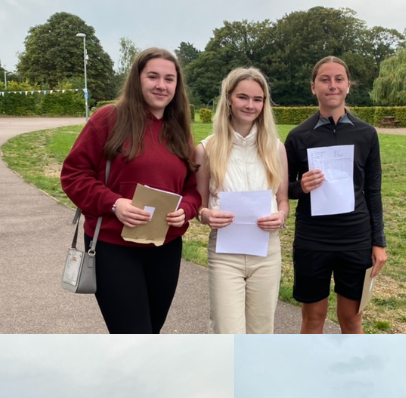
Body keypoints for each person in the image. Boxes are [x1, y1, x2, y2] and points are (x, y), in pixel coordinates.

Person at [60, 48, 201, 334]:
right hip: (114, 248)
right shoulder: (109, 119)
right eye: (153, 76)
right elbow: (73, 175)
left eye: (169, 79)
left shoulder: (178, 130)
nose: (161, 85)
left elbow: (192, 189)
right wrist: (114, 204)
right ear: (137, 79)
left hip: (165, 249)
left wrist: (186, 210)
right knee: (133, 335)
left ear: (177, 85)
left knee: (151, 332)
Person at [283, 56, 385, 334]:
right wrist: (300, 186)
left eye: (339, 79)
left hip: (356, 238)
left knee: (352, 319)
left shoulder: (366, 134)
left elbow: (373, 191)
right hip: (313, 239)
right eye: (324, 80)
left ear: (348, 86)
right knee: (313, 319)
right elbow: (283, 189)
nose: (332, 85)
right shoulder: (297, 136)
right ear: (313, 87)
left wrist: (379, 242)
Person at [193, 68, 289, 333]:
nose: (250, 105)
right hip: (225, 253)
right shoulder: (206, 149)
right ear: (229, 99)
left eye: (257, 99)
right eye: (242, 97)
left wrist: (280, 217)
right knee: (227, 332)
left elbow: (283, 201)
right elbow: (198, 206)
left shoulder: (276, 148)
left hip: (267, 252)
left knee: (261, 331)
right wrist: (206, 215)